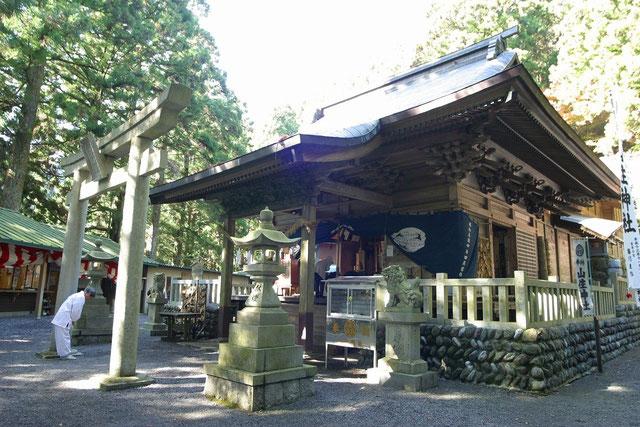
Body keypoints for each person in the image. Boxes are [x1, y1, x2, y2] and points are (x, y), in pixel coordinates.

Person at [51, 287, 95, 359]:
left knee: (64, 337)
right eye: (90, 296)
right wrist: (74, 319)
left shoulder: (77, 296)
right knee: (63, 337)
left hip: (63, 318)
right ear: (87, 293)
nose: (89, 298)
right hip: (64, 319)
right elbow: (75, 311)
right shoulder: (80, 298)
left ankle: (66, 352)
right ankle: (65, 354)